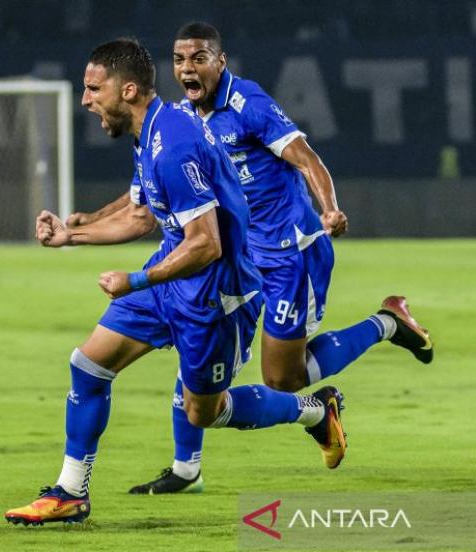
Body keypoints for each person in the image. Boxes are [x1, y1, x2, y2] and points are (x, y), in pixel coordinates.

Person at [67, 22, 434, 496]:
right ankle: (186, 469)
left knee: (285, 377)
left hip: (289, 253)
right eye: (179, 60)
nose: (187, 68)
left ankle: (387, 322)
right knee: (195, 349)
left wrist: (330, 208)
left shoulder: (249, 105)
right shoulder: (180, 119)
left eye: (199, 58)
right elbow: (148, 196)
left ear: (220, 61)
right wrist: (85, 222)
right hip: (237, 255)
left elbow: (307, 159)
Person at [5, 38, 347, 526]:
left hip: (215, 297)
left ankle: (313, 410)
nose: (84, 99)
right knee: (88, 365)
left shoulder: (173, 147)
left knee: (203, 412)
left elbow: (207, 243)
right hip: (174, 276)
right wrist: (71, 235)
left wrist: (136, 279)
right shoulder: (154, 132)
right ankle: (69, 493)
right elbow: (142, 217)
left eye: (92, 88)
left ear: (127, 90)